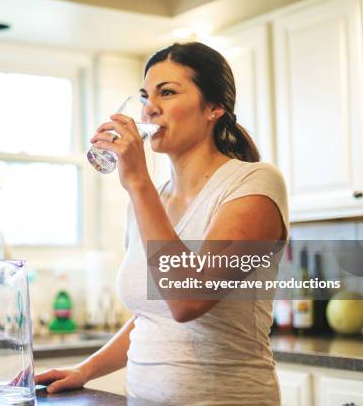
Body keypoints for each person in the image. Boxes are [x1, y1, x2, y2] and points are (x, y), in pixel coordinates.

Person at [35, 42, 288, 405]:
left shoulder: (254, 183)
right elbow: (152, 318)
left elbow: (187, 300)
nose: (149, 107)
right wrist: (85, 370)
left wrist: (138, 183)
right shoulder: (149, 202)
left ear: (214, 108)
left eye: (167, 92)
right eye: (145, 95)